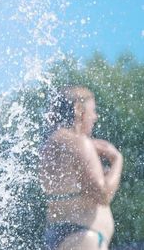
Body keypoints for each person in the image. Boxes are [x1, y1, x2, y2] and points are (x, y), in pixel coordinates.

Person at [40, 86, 123, 250]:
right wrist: (117, 160)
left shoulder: (50, 145)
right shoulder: (78, 142)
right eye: (93, 110)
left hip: (62, 234)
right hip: (84, 238)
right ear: (79, 109)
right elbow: (103, 194)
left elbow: (74, 190)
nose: (95, 117)